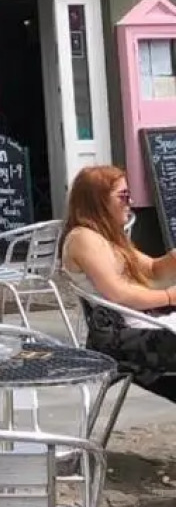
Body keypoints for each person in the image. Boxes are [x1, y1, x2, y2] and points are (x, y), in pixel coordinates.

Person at [61, 165, 176, 403]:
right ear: (98, 200)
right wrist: (169, 297)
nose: (130, 201)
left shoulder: (110, 238)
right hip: (117, 337)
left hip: (139, 325)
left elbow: (154, 270)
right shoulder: (83, 238)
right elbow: (117, 293)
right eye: (123, 196)